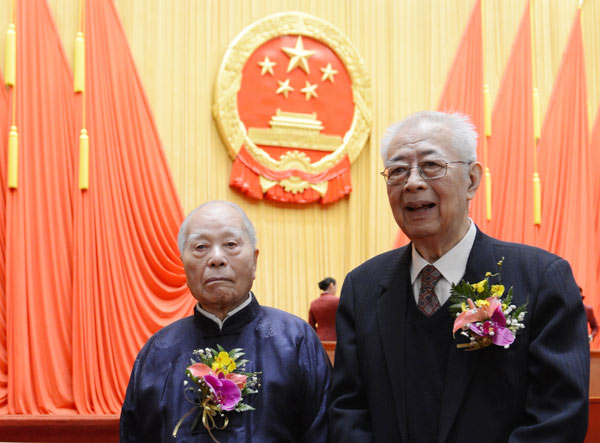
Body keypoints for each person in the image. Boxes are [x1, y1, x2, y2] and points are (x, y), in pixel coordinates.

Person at [329, 111, 590, 442]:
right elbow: (348, 410)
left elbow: (559, 417)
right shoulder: (362, 286)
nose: (412, 182)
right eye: (396, 171)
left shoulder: (540, 278)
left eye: (431, 166)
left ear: (472, 179)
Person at [120, 201, 330, 442]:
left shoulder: (296, 342)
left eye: (231, 244)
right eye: (201, 247)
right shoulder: (157, 351)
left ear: (254, 259)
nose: (216, 258)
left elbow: (323, 432)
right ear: (183, 262)